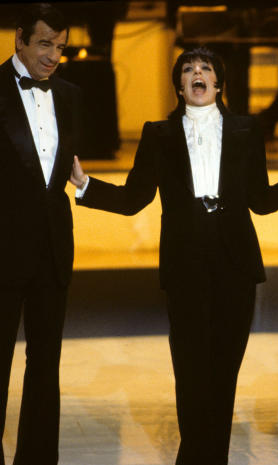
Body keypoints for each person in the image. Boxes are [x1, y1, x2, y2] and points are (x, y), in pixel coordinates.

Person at [70, 47, 278, 464]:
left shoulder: (245, 131)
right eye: (189, 70)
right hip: (185, 264)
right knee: (192, 369)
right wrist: (87, 185)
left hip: (235, 263)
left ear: (218, 82)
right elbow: (133, 198)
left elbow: (259, 200)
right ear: (179, 84)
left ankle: (207, 456)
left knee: (224, 370)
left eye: (206, 69)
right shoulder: (158, 134)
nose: (197, 74)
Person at [0, 4, 82, 464]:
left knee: (45, 367)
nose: (53, 56)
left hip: (53, 250)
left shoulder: (69, 95)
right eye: (46, 44)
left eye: (61, 47)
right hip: (2, 250)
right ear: (20, 40)